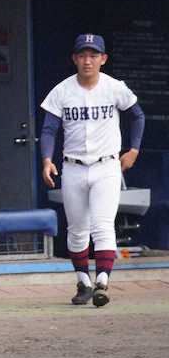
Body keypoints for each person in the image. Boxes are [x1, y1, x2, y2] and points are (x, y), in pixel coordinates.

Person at [40, 33, 144, 306]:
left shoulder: (114, 87)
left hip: (106, 165)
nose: (88, 61)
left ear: (103, 59)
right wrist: (46, 160)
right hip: (73, 166)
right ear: (74, 58)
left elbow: (137, 115)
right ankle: (83, 282)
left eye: (94, 55)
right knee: (76, 229)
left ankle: (102, 282)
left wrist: (133, 149)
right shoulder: (62, 90)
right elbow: (49, 128)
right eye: (83, 55)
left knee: (102, 225)